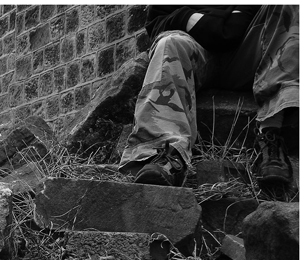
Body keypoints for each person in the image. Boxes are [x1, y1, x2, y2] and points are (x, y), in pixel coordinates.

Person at [119, 5, 299, 187]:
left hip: (250, 53)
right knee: (169, 42)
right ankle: (164, 155)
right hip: (194, 52)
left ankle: (270, 138)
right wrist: (224, 19)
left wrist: (184, 16)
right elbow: (157, 23)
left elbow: (232, 32)